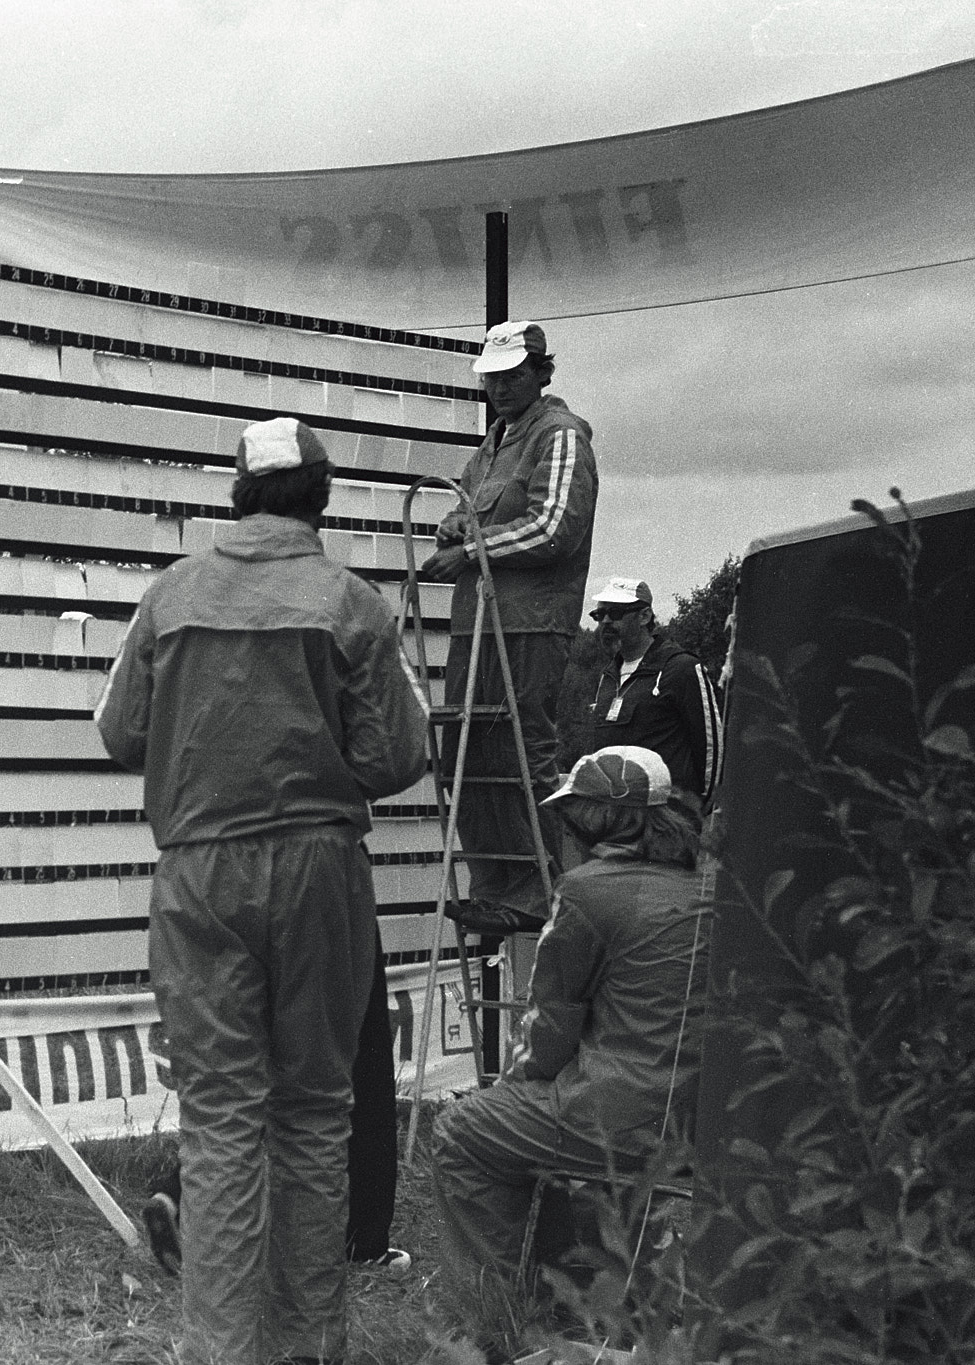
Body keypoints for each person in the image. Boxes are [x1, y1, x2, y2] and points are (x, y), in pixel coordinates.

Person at [96, 417, 429, 1365]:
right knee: (317, 1113)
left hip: (200, 871)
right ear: (320, 501)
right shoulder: (354, 602)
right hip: (322, 868)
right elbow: (400, 751)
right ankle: (305, 1347)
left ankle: (218, 1351)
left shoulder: (171, 594)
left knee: (222, 1118)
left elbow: (119, 732)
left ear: (236, 494)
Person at [432, 746, 709, 1295]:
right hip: (699, 1124)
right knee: (539, 1121)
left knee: (464, 1131)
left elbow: (548, 1027)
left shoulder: (587, 891)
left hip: (621, 1119)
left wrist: (512, 1091)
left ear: (591, 820)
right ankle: (576, 1289)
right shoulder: (711, 888)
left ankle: (498, 1316)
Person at [419, 320, 599, 937]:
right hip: (479, 625)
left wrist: (469, 551)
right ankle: (503, 890)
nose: (498, 386)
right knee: (471, 758)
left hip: (530, 626)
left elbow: (555, 528)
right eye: (491, 376)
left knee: (524, 755)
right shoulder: (495, 441)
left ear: (542, 372)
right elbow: (470, 505)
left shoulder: (561, 435)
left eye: (511, 373)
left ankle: (557, 894)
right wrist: (452, 525)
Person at [139, 926, 413, 1278]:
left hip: (244, 916)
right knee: (362, 1069)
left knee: (246, 1079)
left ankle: (177, 1193)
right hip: (322, 914)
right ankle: (363, 1240)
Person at [585, 578, 724, 805]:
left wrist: (698, 809)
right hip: (618, 817)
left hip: (666, 818)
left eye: (616, 612)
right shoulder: (608, 676)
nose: (606, 622)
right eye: (600, 615)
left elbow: (711, 747)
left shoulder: (680, 668)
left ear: (644, 616)